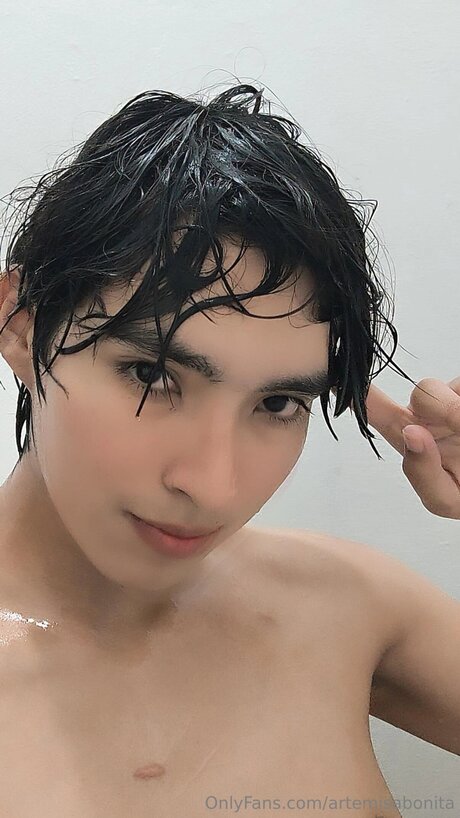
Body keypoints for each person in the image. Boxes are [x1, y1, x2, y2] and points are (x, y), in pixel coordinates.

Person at [0, 84, 458, 818]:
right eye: (152, 376)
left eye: (277, 404)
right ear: (22, 327)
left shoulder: (346, 605)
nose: (214, 488)